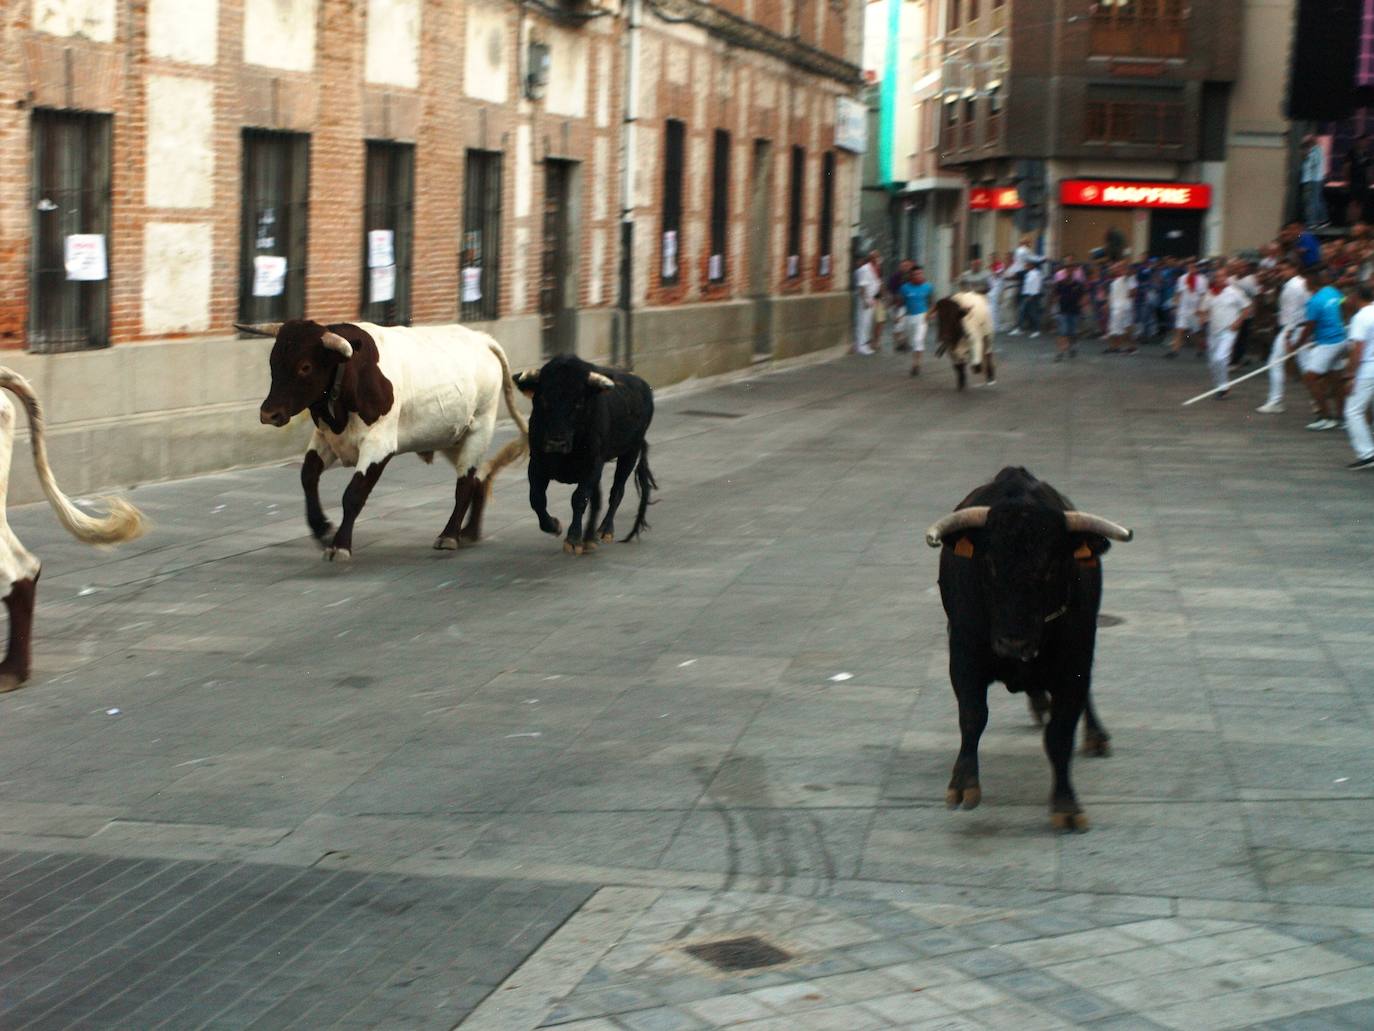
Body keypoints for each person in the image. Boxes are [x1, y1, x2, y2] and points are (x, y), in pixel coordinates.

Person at [1292, 264, 1349, 429]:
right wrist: (1340, 322)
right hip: (1340, 340)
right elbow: (1344, 305)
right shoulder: (1332, 291)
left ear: (1311, 280)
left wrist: (1296, 345)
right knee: (1336, 380)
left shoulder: (1314, 302)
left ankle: (1325, 417)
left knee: (1310, 378)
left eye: (1304, 281)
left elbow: (1309, 328)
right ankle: (1341, 418)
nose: (1303, 284)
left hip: (1328, 344)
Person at [1257, 258, 1311, 414]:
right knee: (1306, 367)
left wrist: (1288, 335)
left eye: (1283, 269)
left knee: (1277, 363)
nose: (1280, 273)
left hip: (1293, 329)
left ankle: (1276, 401)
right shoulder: (1299, 284)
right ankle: (1278, 400)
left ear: (1293, 268)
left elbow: (1292, 313)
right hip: (1298, 328)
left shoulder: (1293, 286)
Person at [1198, 267, 1251, 398]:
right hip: (1213, 331)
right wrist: (1203, 317)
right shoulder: (1210, 293)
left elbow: (1247, 308)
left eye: (1222, 276)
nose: (1219, 279)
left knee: (1220, 357)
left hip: (1229, 330)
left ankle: (1223, 387)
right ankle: (1219, 385)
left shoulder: (1234, 292)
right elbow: (1203, 310)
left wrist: (1238, 322)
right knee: (1212, 362)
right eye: (1217, 276)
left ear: (1226, 277)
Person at [1342, 283, 1374, 469]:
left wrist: (1350, 375)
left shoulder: (1360, 317)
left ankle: (1367, 453)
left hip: (1367, 369)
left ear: (1355, 297)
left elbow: (1357, 349)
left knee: (1353, 411)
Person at [899, 265, 934, 377]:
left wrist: (931, 313)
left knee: (918, 340)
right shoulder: (905, 288)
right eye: (916, 274)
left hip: (922, 316)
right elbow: (901, 303)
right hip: (909, 317)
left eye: (920, 274)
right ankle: (904, 341)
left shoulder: (928, 287)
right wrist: (899, 315)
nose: (918, 276)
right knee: (912, 341)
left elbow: (933, 303)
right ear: (911, 276)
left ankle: (916, 364)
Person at [1167, 260, 1206, 358]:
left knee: (1195, 332)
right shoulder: (1182, 279)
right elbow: (1179, 293)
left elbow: (1203, 295)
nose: (1191, 269)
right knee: (1179, 330)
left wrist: (1201, 309)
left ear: (1196, 268)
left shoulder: (1202, 280)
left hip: (1195, 309)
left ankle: (1200, 348)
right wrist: (1176, 305)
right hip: (1183, 308)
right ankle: (1175, 351)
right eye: (1189, 267)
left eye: (1193, 267)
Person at [1052, 260, 1085, 361]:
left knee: (1073, 332)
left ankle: (1073, 347)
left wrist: (1082, 304)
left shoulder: (1078, 284)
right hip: (1063, 311)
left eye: (1071, 270)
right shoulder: (1060, 283)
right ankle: (1061, 352)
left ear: (1073, 271)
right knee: (1063, 332)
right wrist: (1054, 306)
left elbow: (1083, 296)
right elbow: (1055, 295)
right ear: (1065, 271)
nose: (1069, 271)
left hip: (1075, 311)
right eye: (1067, 270)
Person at [853, 250, 881, 355]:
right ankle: (861, 346)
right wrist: (865, 299)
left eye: (878, 257)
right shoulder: (865, 269)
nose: (878, 259)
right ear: (871, 258)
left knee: (868, 323)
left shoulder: (875, 269)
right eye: (875, 257)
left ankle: (865, 344)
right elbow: (862, 286)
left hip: (872, 298)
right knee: (862, 322)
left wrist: (875, 298)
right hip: (865, 299)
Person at [1105, 262, 1136, 355]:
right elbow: (1112, 294)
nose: (1113, 269)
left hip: (1124, 307)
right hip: (1115, 307)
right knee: (1113, 328)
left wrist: (1126, 298)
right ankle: (1114, 347)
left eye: (1117, 267)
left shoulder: (1129, 278)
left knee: (1125, 328)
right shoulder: (1114, 281)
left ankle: (1131, 348)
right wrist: (1108, 304)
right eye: (1113, 268)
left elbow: (1133, 292)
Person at [885, 258, 913, 352]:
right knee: (899, 325)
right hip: (898, 304)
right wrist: (889, 303)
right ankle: (897, 344)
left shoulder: (912, 276)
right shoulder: (895, 276)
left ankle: (904, 343)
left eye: (907, 265)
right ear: (900, 266)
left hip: (909, 304)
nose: (906, 267)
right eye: (904, 266)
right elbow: (889, 291)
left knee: (907, 325)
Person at [1301, 136, 1329, 228]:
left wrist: (1307, 154)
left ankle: (1312, 221)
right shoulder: (1318, 150)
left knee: (1312, 200)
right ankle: (1322, 220)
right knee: (1317, 200)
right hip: (1315, 178)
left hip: (1313, 178)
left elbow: (1313, 163)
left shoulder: (1316, 150)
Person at [1018, 259, 1044, 337]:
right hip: (1026, 295)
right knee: (1023, 312)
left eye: (1027, 265)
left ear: (1032, 265)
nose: (1026, 266)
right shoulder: (1029, 273)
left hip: (1031, 296)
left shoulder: (1036, 274)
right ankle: (1021, 328)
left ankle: (1037, 329)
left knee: (1033, 313)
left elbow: (1036, 285)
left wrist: (1032, 295)